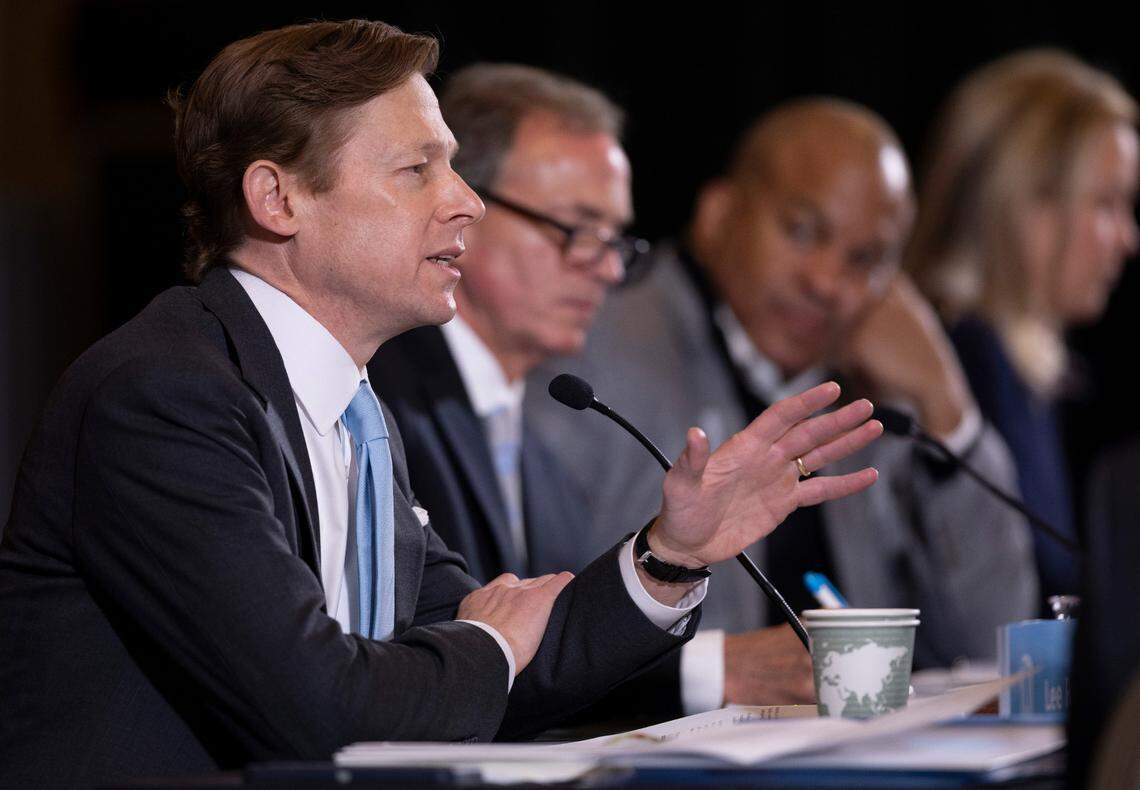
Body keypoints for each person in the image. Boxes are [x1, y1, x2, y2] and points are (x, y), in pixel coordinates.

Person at [0, 21, 882, 789]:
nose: (464, 204)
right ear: (278, 198)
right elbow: (323, 710)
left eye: (453, 166)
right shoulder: (164, 398)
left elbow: (509, 678)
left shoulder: (354, 407)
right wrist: (488, 645)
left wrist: (671, 556)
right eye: (418, 168)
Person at [529, 98, 1039, 674]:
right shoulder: (597, 348)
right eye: (802, 231)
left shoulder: (882, 395)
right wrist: (714, 671)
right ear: (719, 214)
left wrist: (948, 406)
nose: (826, 282)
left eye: (864, 258)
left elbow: (998, 642)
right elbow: (546, 627)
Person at [369, 63, 814, 720]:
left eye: (615, 239)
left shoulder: (542, 430)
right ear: (462, 204)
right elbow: (447, 654)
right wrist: (711, 666)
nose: (607, 270)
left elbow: (549, 660)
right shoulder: (385, 398)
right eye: (576, 230)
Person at [907, 49, 1139, 599]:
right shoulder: (967, 360)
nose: (1129, 239)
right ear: (1027, 206)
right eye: (1108, 204)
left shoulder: (1016, 362)